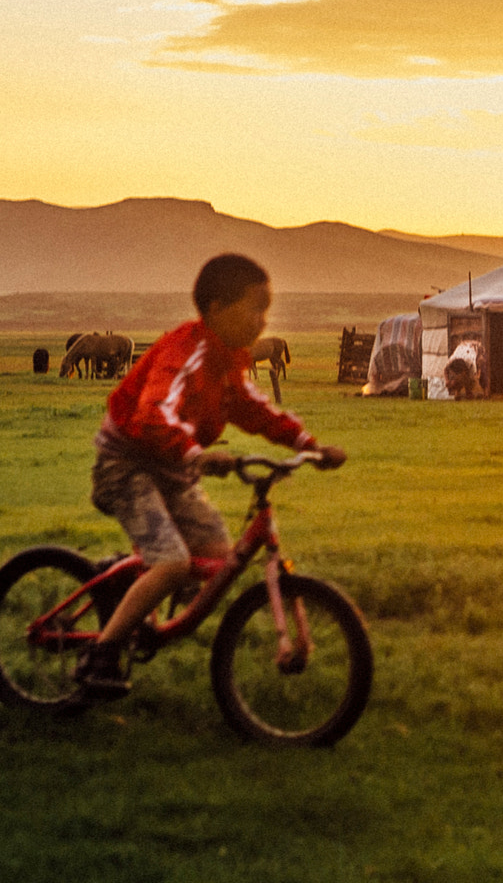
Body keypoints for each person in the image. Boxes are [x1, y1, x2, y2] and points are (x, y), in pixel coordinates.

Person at [73, 253, 345, 697]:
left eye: (267, 311)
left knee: (218, 557)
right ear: (216, 308)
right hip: (127, 465)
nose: (263, 321)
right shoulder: (185, 350)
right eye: (255, 308)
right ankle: (100, 655)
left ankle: (131, 591)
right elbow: (152, 413)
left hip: (174, 466)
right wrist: (197, 454)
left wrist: (308, 446)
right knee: (174, 563)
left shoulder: (229, 361)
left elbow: (253, 409)